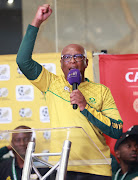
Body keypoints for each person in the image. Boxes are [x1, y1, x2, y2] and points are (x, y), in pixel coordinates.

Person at [16, 4, 123, 180]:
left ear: (86, 63)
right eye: (67, 57)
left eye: (78, 56)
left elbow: (117, 130)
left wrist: (85, 106)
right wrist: (37, 21)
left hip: (97, 170)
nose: (72, 61)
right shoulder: (50, 83)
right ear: (61, 64)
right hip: (60, 167)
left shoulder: (101, 90)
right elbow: (23, 60)